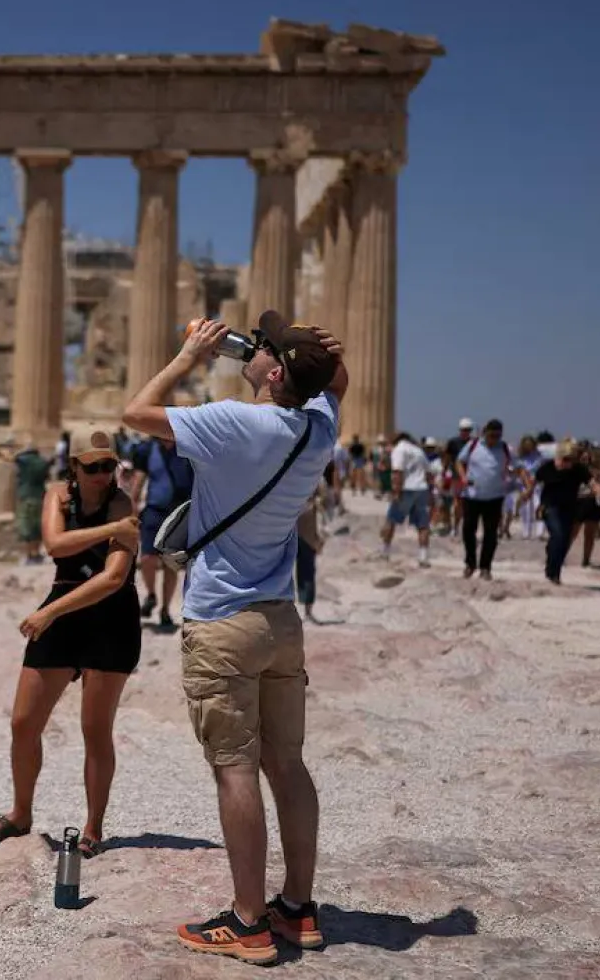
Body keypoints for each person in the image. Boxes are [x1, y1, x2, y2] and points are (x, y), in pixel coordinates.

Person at [124, 311, 345, 966]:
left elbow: (135, 413)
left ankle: (249, 922)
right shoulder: (319, 428)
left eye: (264, 345)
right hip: (280, 619)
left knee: (235, 770)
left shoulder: (234, 422)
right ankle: (297, 908)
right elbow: (335, 386)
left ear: (274, 374)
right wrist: (320, 357)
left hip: (223, 620)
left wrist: (191, 353)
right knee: (289, 765)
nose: (252, 347)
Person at [0, 431, 141, 859]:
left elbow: (113, 577)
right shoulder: (59, 497)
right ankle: (20, 814)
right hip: (63, 612)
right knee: (23, 723)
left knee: (95, 729)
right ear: (74, 467)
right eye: (93, 467)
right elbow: (55, 544)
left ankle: (93, 828)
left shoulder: (122, 503)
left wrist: (49, 612)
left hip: (110, 617)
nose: (103, 475)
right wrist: (111, 531)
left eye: (109, 466)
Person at [131, 432, 195, 631]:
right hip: (154, 510)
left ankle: (165, 610)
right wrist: (132, 509)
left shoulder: (187, 450)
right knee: (147, 558)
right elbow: (138, 481)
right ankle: (151, 594)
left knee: (170, 565)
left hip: (178, 514)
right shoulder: (148, 450)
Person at [530, 440, 596, 585]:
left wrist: (597, 489)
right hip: (550, 507)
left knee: (564, 541)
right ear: (559, 457)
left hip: (569, 508)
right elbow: (534, 481)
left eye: (572, 459)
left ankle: (554, 570)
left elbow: (591, 482)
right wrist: (527, 494)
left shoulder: (578, 469)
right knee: (558, 535)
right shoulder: (548, 467)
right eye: (566, 459)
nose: (569, 463)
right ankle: (553, 573)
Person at [455, 419, 512, 580]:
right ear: (485, 433)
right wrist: (463, 477)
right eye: (492, 435)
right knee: (468, 530)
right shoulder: (473, 445)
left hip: (494, 497)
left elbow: (517, 466)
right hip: (472, 496)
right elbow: (459, 461)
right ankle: (470, 564)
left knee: (491, 534)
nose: (494, 439)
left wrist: (516, 479)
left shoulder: (505, 448)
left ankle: (485, 567)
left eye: (498, 436)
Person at [379, 431, 433, 567]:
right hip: (421, 489)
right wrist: (429, 492)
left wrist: (396, 492)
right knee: (423, 525)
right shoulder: (419, 451)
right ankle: (423, 556)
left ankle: (385, 552)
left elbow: (397, 472)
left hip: (406, 489)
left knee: (391, 520)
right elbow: (429, 473)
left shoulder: (399, 449)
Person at [13, 441, 52, 564]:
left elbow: (13, 457)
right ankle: (36, 553)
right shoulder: (43, 462)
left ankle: (30, 555)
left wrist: (20, 451)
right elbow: (47, 476)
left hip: (26, 496)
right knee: (38, 526)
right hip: (40, 496)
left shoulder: (23, 460)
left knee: (27, 527)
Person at [296, 489, 323, 622]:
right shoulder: (300, 503)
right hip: (299, 540)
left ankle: (307, 611)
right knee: (302, 575)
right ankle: (305, 611)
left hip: (307, 542)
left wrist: (319, 541)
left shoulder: (314, 505)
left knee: (307, 576)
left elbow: (321, 525)